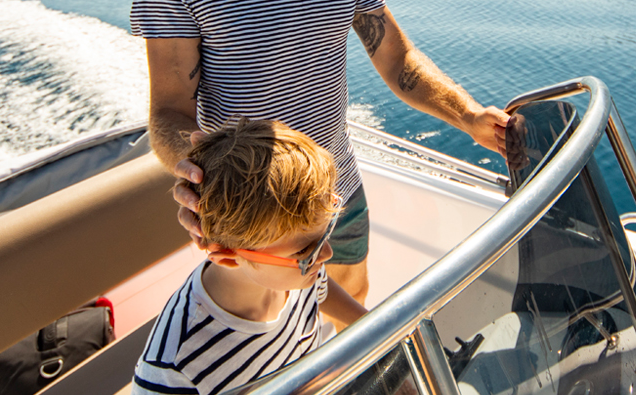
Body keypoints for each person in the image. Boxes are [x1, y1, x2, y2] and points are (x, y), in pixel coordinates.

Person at [131, 0, 509, 316]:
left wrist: (468, 116)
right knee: (261, 329)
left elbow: (397, 58)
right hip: (255, 210)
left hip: (337, 189)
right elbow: (168, 110)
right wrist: (204, 173)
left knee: (353, 296)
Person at [132, 118, 368, 395]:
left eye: (325, 231)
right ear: (229, 257)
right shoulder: (175, 369)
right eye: (305, 250)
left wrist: (381, 330)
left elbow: (321, 292)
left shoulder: (299, 272)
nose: (326, 254)